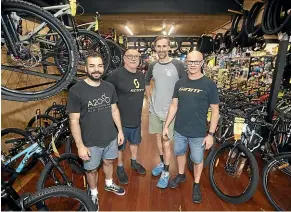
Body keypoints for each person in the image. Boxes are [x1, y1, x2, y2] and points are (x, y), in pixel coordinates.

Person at [67, 52, 126, 207]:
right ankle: (93, 193)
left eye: (99, 66)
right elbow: (73, 120)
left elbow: (114, 111)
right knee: (91, 170)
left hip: (111, 137)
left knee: (108, 161)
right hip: (90, 142)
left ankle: (109, 183)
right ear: (86, 68)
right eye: (92, 66)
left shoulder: (109, 87)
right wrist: (80, 145)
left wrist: (119, 131)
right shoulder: (76, 90)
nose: (96, 69)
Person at [162, 51, 220, 203]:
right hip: (180, 129)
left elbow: (215, 111)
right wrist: (166, 126)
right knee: (180, 153)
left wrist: (211, 134)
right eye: (190, 61)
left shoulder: (209, 84)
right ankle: (181, 175)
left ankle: (196, 184)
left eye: (196, 61)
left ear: (202, 63)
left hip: (198, 132)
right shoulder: (180, 83)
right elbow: (174, 105)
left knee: (196, 159)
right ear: (186, 63)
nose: (193, 64)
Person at [145, 36, 187, 188]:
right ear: (155, 48)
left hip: (171, 112)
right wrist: (148, 95)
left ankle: (166, 172)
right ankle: (162, 164)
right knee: (158, 140)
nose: (161, 49)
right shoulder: (153, 65)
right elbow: (146, 80)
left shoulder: (178, 65)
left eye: (164, 46)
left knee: (166, 143)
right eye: (158, 46)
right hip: (155, 110)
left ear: (169, 47)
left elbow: (185, 83)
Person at [107, 49, 146, 185]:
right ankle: (120, 167)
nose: (133, 59)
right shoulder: (115, 75)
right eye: (130, 56)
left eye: (136, 56)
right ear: (124, 58)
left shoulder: (141, 75)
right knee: (120, 147)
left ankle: (134, 162)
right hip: (120, 120)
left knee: (135, 142)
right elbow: (107, 95)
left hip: (136, 118)